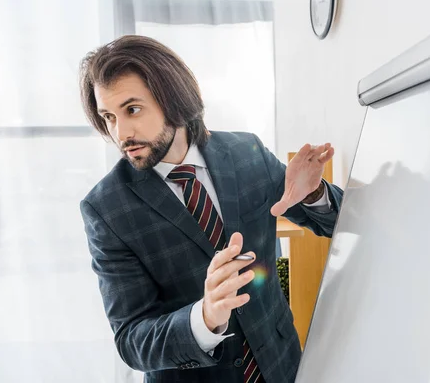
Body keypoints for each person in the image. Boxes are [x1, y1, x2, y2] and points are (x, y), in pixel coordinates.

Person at [79, 35, 344, 383]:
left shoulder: (245, 151)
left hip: (281, 367)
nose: (121, 132)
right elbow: (131, 339)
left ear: (172, 98)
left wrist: (313, 195)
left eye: (132, 109)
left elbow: (332, 223)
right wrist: (204, 318)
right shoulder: (106, 208)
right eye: (109, 117)